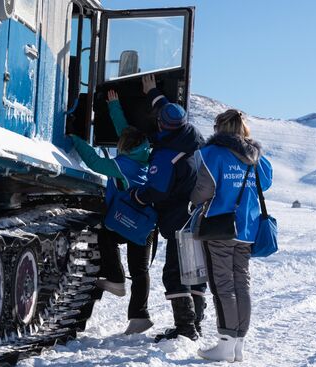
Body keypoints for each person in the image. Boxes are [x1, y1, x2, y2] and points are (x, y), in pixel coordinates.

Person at [69, 90, 155, 335]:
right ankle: (140, 317)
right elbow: (125, 131)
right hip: (145, 224)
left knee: (105, 235)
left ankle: (116, 280)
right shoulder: (145, 157)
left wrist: (75, 138)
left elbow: (95, 162)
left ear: (124, 147)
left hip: (123, 221)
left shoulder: (122, 166)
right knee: (140, 271)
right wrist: (114, 105)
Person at [190, 109, 272, 362]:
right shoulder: (258, 157)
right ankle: (238, 345)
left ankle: (225, 343)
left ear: (218, 128)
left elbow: (202, 190)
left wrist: (192, 201)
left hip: (220, 227)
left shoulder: (211, 154)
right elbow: (265, 184)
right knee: (241, 284)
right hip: (248, 229)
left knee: (223, 285)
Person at [130, 75, 207, 342]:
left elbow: (157, 191)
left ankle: (186, 329)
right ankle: (197, 323)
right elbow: (169, 110)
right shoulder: (193, 138)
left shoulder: (165, 156)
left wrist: (137, 196)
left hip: (178, 220)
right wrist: (153, 92)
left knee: (174, 273)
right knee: (195, 270)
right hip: (199, 217)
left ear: (163, 125)